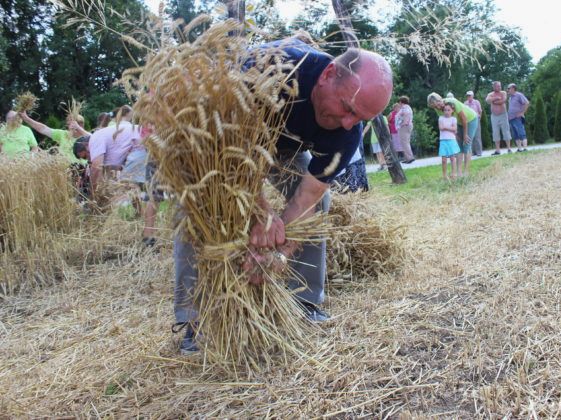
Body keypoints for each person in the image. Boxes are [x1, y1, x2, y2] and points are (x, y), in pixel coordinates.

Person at [173, 40, 393, 354]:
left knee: (321, 204)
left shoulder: (348, 132)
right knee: (192, 208)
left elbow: (307, 198)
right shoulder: (269, 70)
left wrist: (277, 252)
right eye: (347, 108)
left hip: (285, 149)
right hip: (220, 142)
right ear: (328, 75)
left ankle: (304, 301)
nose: (349, 123)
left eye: (360, 118)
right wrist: (261, 213)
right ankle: (194, 320)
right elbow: (231, 158)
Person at [74, 105, 140, 197]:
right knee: (134, 190)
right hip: (145, 142)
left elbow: (96, 169)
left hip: (143, 143)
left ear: (86, 145)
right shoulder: (105, 146)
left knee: (133, 189)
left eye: (85, 156)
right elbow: (111, 170)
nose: (88, 159)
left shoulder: (94, 139)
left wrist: (92, 196)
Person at [427, 92, 478, 177]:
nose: (438, 108)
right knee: (459, 147)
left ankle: (466, 172)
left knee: (466, 143)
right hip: (458, 123)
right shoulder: (437, 109)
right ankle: (459, 172)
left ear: (440, 100)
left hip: (470, 119)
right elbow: (448, 120)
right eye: (435, 107)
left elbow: (464, 119)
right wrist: (455, 134)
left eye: (438, 105)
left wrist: (465, 134)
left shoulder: (453, 102)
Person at [20, 110, 90, 163]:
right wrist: (26, 118)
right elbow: (43, 129)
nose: (70, 127)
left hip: (81, 171)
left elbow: (93, 139)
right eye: (69, 125)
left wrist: (78, 128)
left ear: (81, 125)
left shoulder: (86, 138)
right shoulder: (63, 134)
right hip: (63, 171)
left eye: (72, 125)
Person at [485, 81, 512, 155]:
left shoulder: (503, 93)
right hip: (494, 116)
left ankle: (509, 149)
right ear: (493, 87)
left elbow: (503, 100)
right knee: (495, 132)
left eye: (500, 86)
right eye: (497, 86)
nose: (499, 87)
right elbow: (487, 101)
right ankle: (497, 150)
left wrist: (494, 101)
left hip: (503, 115)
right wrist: (496, 98)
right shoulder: (490, 94)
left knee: (506, 131)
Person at [437, 103, 460, 179]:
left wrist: (445, 127)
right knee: (444, 160)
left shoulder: (454, 119)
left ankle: (453, 174)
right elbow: (441, 128)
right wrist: (450, 128)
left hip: (451, 140)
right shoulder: (441, 118)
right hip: (443, 141)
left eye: (448, 110)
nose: (446, 112)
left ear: (452, 110)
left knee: (452, 158)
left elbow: (455, 129)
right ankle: (444, 175)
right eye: (445, 110)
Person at [507, 83, 530, 152]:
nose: (507, 90)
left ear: (513, 88)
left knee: (521, 132)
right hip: (511, 118)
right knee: (515, 134)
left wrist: (522, 113)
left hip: (518, 118)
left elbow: (527, 103)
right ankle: (519, 149)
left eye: (508, 88)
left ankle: (525, 148)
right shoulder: (510, 97)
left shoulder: (519, 95)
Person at [395, 96, 415, 163]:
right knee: (406, 142)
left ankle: (409, 158)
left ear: (401, 102)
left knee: (404, 143)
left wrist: (402, 124)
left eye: (399, 102)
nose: (399, 103)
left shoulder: (404, 108)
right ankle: (407, 158)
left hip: (404, 127)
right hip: (407, 126)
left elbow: (406, 116)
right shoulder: (408, 107)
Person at [464, 90, 483, 156]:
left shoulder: (476, 102)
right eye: (467, 96)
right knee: (470, 136)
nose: (468, 97)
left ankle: (479, 152)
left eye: (469, 95)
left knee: (477, 136)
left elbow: (480, 111)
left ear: (472, 96)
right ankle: (472, 152)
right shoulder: (465, 103)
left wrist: (479, 118)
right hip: (468, 121)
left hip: (476, 120)